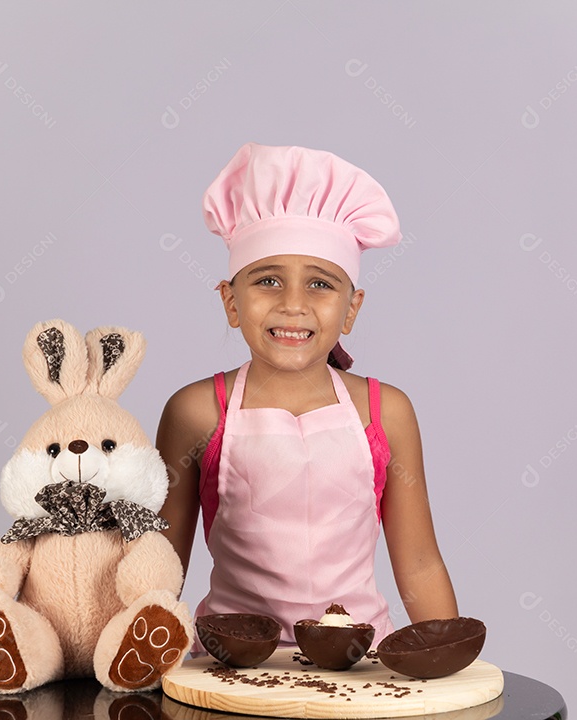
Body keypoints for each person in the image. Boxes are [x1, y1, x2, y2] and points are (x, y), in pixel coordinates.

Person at [157, 142, 457, 645]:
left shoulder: (386, 412)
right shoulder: (196, 411)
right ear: (231, 301)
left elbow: (421, 564)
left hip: (360, 666)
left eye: (320, 284)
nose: (293, 304)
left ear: (351, 308)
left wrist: (449, 665)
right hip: (230, 666)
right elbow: (160, 563)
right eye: (267, 280)